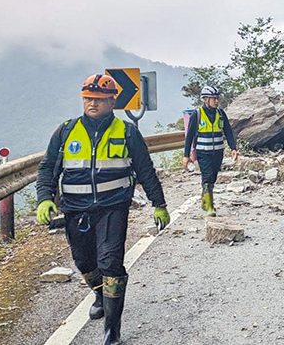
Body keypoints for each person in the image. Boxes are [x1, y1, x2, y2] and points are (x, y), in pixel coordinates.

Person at [35, 73, 170, 345]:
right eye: (87, 99)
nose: (91, 104)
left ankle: (112, 329)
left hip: (113, 208)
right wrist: (44, 198)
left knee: (110, 262)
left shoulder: (127, 131)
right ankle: (99, 293)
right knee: (85, 262)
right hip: (75, 210)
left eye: (98, 100)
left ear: (112, 101)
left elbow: (145, 170)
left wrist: (159, 204)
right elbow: (47, 167)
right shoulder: (65, 131)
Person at [182, 86, 238, 216]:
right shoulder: (197, 114)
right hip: (203, 152)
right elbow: (189, 136)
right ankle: (209, 206)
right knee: (206, 176)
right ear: (205, 99)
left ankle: (205, 200)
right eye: (214, 99)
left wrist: (233, 148)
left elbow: (228, 131)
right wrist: (186, 155)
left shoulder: (220, 113)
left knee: (213, 177)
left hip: (218, 152)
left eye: (217, 98)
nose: (216, 101)